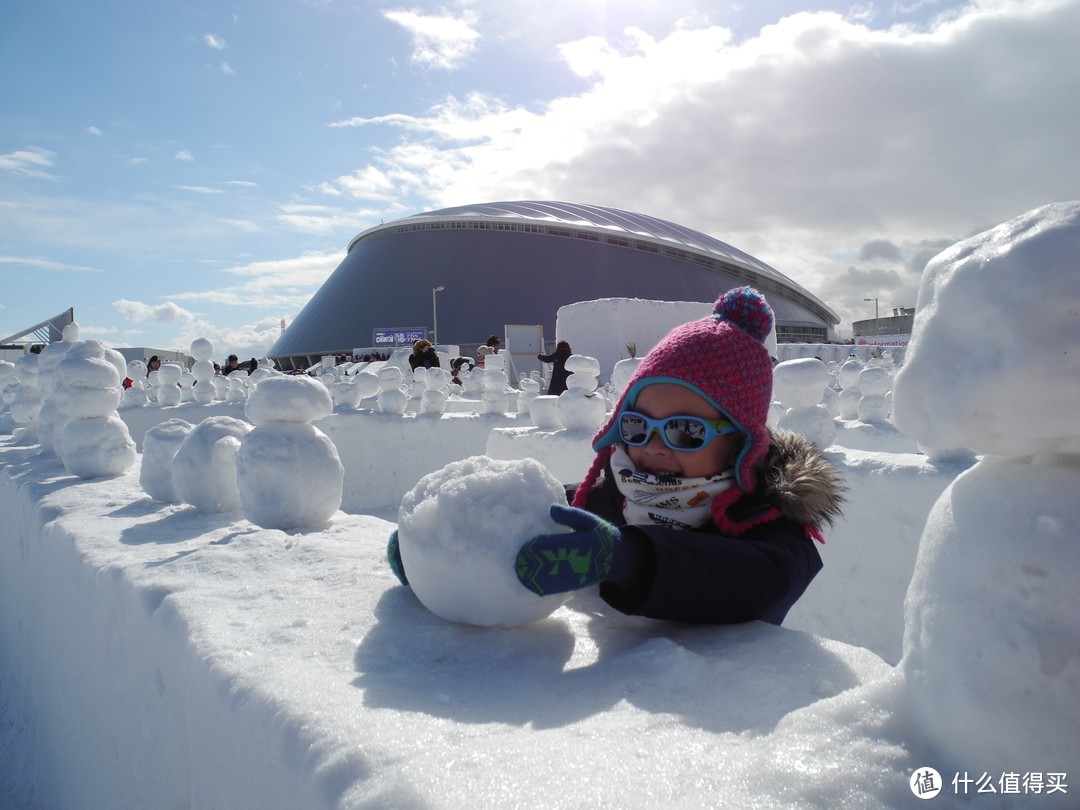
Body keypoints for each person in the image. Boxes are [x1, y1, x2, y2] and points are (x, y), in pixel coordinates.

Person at [511, 286, 845, 625]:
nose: (654, 446)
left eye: (685, 431)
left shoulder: (770, 524)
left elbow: (759, 581)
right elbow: (555, 507)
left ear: (740, 443)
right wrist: (516, 504)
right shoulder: (608, 498)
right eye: (637, 427)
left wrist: (628, 559)